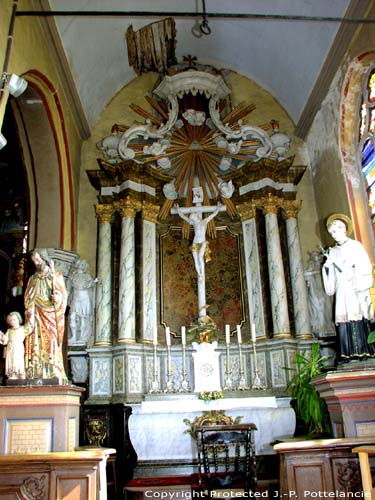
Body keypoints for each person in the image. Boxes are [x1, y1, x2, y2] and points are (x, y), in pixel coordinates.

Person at [322, 214, 375, 363]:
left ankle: (363, 352)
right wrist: (327, 267)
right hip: (342, 291)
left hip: (354, 288)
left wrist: (353, 275)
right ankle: (347, 354)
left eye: (335, 232)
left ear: (344, 229)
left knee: (356, 318)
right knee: (344, 321)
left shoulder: (356, 246)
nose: (334, 236)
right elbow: (330, 283)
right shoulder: (332, 251)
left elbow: (365, 266)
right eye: (331, 233)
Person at [24, 249, 68, 382]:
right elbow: (27, 296)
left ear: (45, 259)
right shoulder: (33, 278)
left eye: (38, 260)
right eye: (34, 261)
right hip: (36, 313)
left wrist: (58, 299)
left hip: (50, 314)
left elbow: (62, 294)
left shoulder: (56, 276)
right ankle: (36, 370)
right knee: (36, 341)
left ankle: (52, 369)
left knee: (52, 339)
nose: (37, 263)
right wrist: (29, 306)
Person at [175, 203, 222, 278]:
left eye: (193, 217)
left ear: (196, 216)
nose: (192, 219)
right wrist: (178, 210)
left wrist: (218, 208)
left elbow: (212, 215)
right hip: (195, 242)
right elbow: (183, 217)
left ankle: (202, 274)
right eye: (192, 218)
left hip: (202, 242)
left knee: (200, 257)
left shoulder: (205, 221)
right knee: (195, 259)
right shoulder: (193, 223)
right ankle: (199, 274)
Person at [67, 259, 97, 345]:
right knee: (72, 317)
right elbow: (69, 289)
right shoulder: (73, 276)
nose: (82, 266)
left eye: (83, 265)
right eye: (81, 264)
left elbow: (91, 284)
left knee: (83, 318)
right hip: (76, 298)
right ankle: (73, 336)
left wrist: (94, 282)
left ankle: (82, 337)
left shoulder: (87, 276)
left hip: (85, 298)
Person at [0, 311, 33, 379]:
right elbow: (5, 340)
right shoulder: (9, 331)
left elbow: (30, 327)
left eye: (14, 319)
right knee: (11, 361)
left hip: (18, 348)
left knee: (18, 360)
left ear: (18, 319)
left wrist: (29, 318)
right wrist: (3, 337)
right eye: (11, 320)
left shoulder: (22, 329)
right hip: (10, 348)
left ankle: (20, 374)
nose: (13, 322)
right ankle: (12, 374)